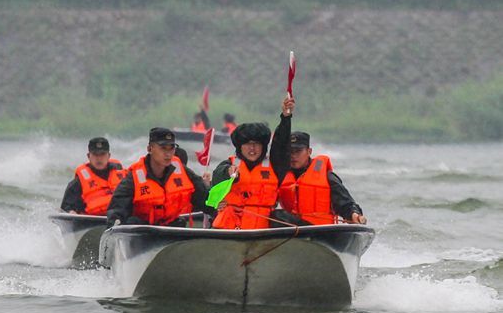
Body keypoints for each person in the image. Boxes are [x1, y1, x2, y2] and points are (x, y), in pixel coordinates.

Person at [211, 96, 295, 230]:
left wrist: (286, 117)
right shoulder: (228, 165)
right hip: (229, 229)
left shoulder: (275, 166)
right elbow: (216, 179)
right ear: (240, 146)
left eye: (256, 144)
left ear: (263, 146)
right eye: (248, 144)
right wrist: (227, 172)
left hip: (262, 230)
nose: (252, 149)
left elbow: (281, 143)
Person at [106, 128, 210, 227]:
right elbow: (116, 210)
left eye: (171, 148)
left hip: (171, 228)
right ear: (150, 149)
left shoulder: (182, 171)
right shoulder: (134, 178)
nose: (168, 153)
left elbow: (206, 199)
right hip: (142, 232)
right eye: (163, 148)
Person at [277, 132, 366, 225]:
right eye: (290, 151)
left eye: (298, 151)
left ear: (309, 151)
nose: (293, 156)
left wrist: (354, 214)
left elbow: (345, 203)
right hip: (292, 230)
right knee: (276, 215)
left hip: (321, 230)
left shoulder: (327, 176)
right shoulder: (280, 176)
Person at [60, 137, 126, 215]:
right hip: (93, 221)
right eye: (95, 154)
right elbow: (66, 207)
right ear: (88, 156)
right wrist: (71, 212)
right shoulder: (79, 182)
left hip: (121, 217)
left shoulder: (123, 174)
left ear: (109, 156)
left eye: (102, 154)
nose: (99, 158)